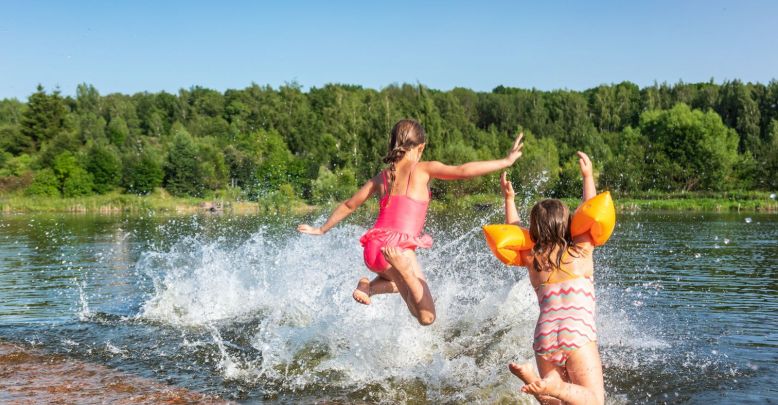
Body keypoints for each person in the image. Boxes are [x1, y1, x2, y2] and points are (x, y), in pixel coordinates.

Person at [298, 119, 524, 325]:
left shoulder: (382, 177)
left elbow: (349, 204)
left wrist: (321, 229)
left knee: (397, 284)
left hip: (373, 249)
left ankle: (369, 286)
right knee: (427, 316)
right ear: (421, 147)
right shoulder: (423, 169)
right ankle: (395, 276)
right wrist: (506, 160)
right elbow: (463, 171)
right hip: (398, 250)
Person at [502, 152, 605, 405]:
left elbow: (515, 232)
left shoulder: (533, 260)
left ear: (535, 230)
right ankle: (553, 387)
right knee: (593, 400)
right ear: (567, 224)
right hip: (576, 333)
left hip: (545, 335)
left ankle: (534, 379)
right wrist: (587, 176)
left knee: (552, 404)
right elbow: (589, 210)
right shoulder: (580, 250)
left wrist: (509, 199)